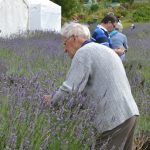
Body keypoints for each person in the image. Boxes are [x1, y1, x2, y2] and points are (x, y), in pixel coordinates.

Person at [43, 22, 139, 149]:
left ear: (74, 38)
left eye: (64, 43)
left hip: (112, 120)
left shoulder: (84, 53)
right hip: (129, 114)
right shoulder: (105, 50)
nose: (65, 49)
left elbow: (70, 89)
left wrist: (52, 101)